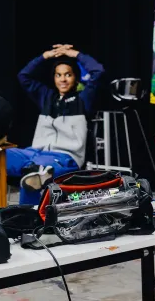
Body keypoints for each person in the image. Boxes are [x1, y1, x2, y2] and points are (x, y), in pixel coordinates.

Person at [11, 44, 104, 198]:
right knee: (3, 156)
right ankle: (35, 173)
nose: (63, 79)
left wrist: (75, 54)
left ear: (75, 77)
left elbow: (98, 72)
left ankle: (30, 217)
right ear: (53, 78)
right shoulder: (46, 97)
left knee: (33, 175)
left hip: (65, 158)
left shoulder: (83, 99)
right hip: (35, 153)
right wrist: (45, 56)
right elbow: (23, 76)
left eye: (68, 75)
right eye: (58, 75)